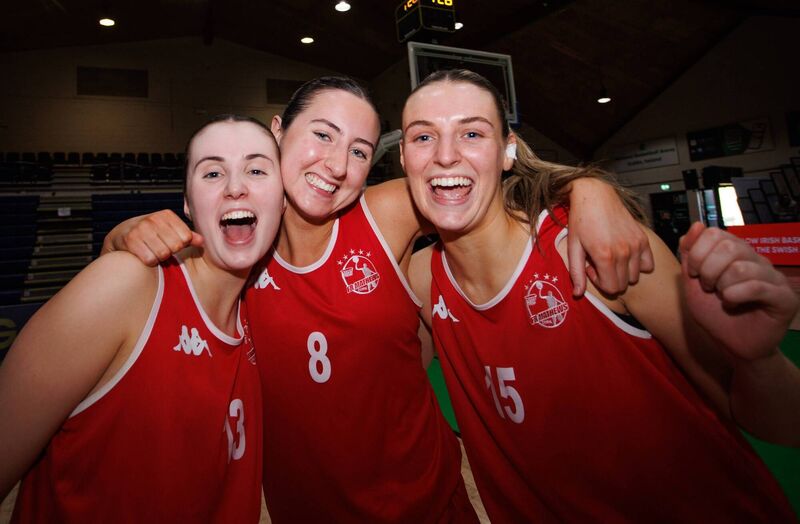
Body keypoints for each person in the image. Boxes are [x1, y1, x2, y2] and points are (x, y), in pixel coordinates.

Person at [103, 76, 655, 522]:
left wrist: (589, 189)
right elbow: (145, 276)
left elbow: (480, 183)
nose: (338, 165)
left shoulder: (383, 212)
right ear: (277, 132)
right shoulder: (235, 246)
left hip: (431, 505)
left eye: (360, 150)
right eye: (321, 135)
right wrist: (124, 235)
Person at [403, 69, 800, 522]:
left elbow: (784, 424)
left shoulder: (601, 250)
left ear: (508, 150)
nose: (446, 156)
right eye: (423, 137)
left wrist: (758, 361)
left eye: (471, 132)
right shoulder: (421, 279)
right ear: (403, 157)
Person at [0, 115, 285, 522]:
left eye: (256, 170)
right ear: (187, 202)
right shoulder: (128, 284)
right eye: (212, 172)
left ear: (283, 199)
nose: (235, 186)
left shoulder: (261, 313)